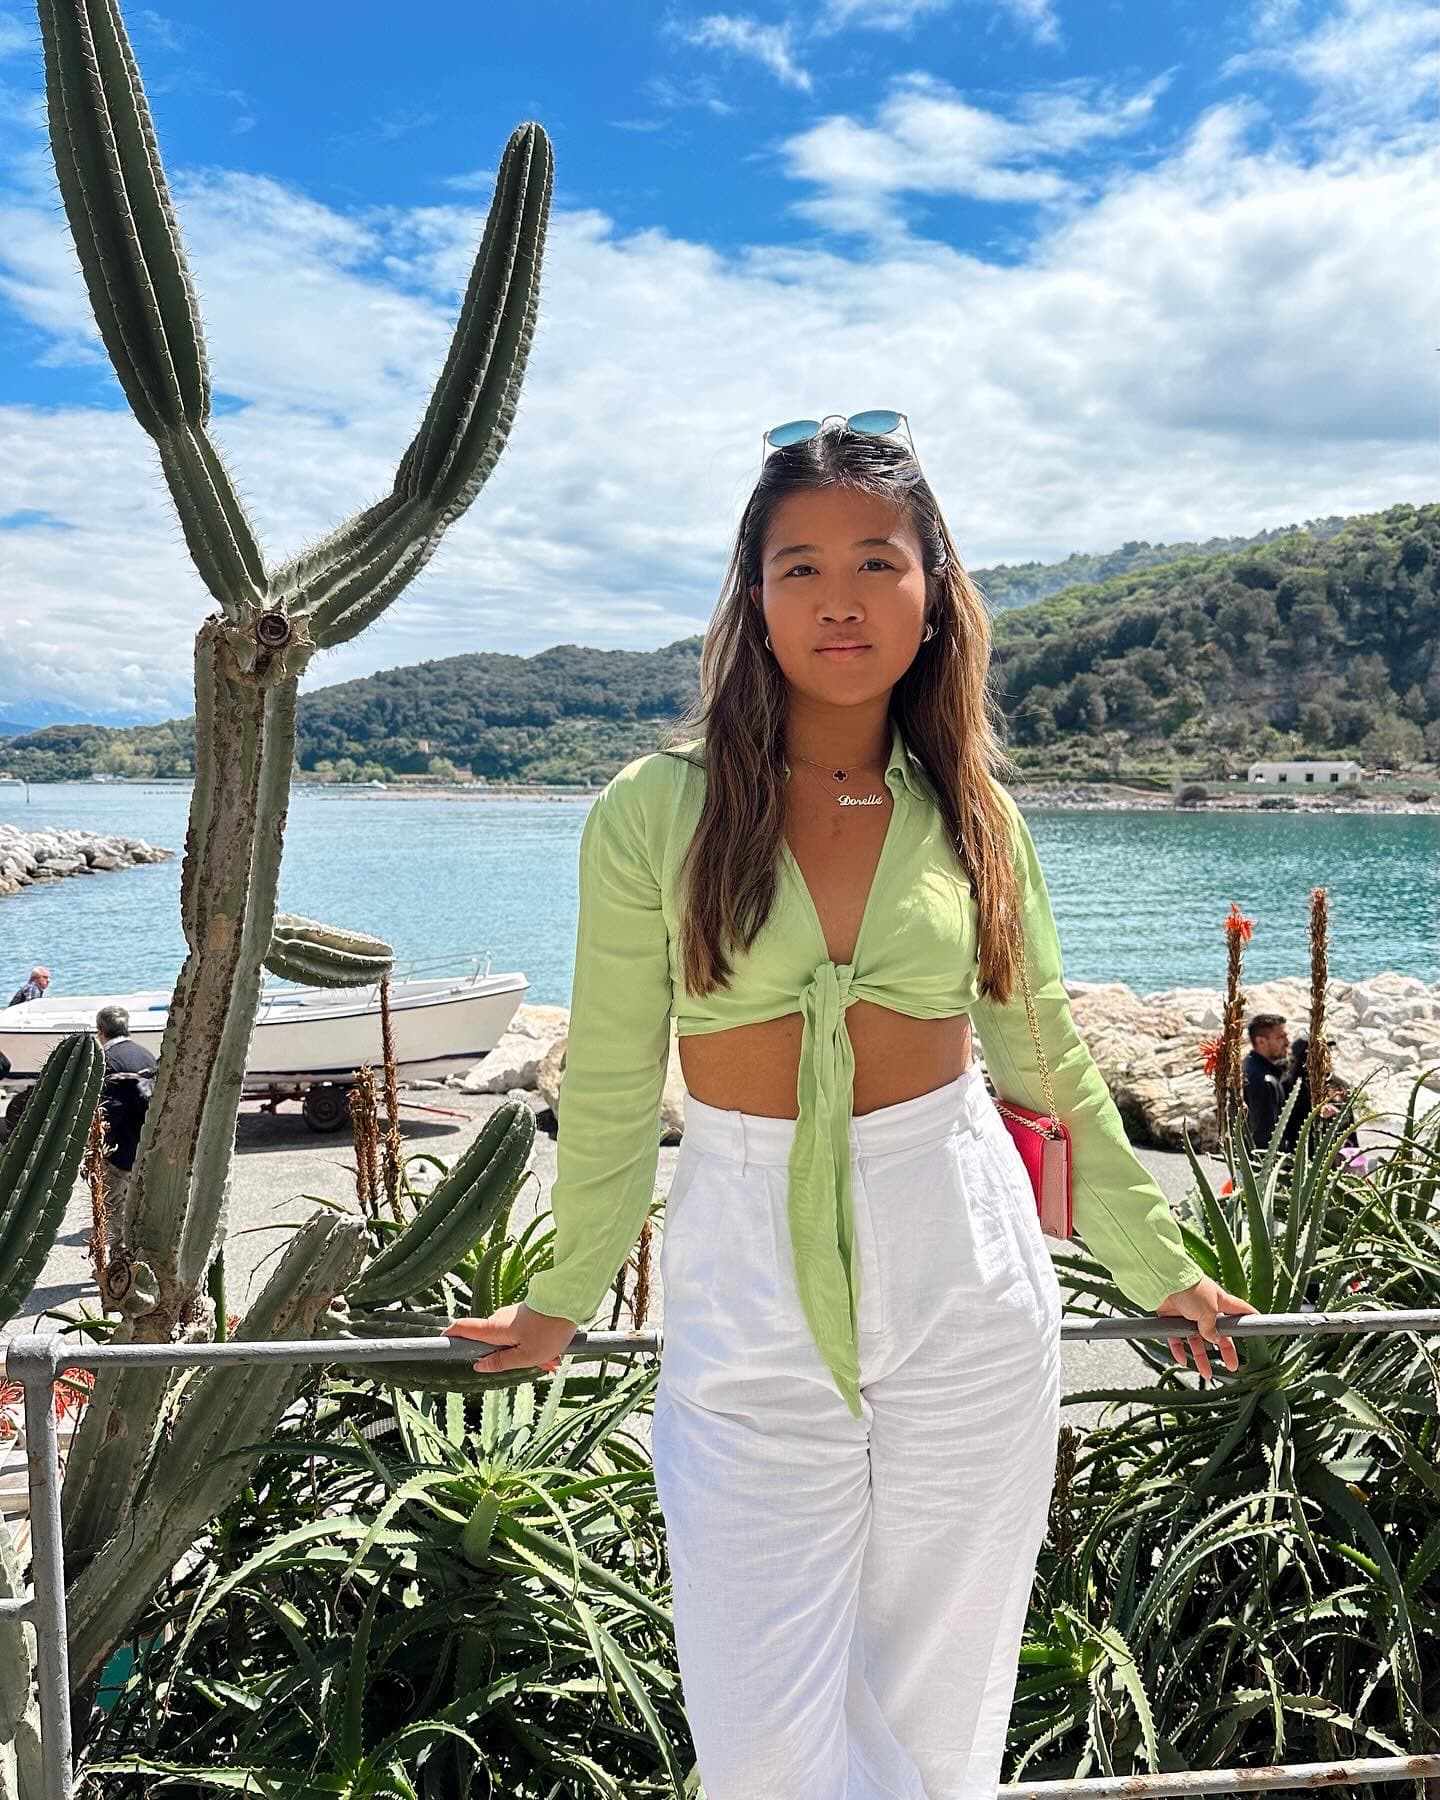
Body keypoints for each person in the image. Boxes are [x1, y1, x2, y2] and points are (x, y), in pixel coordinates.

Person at [445, 414, 1256, 1800]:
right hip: (746, 1257)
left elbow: (1042, 1057)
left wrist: (1155, 1261)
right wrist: (568, 1290)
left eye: (877, 561)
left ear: (933, 587)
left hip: (963, 1254)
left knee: (941, 1701)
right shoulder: (654, 811)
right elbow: (617, 1073)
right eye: (798, 565)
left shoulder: (977, 813)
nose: (839, 598)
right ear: (751, 600)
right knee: (761, 1729)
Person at [95, 1004, 158, 1207]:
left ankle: (117, 1240)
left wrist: (101, 1147)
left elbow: (110, 1110)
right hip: (148, 1140)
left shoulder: (108, 1061)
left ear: (100, 1032)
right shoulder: (146, 1054)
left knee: (112, 1203)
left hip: (120, 1150)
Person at [1242, 1012, 1289, 1149]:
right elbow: (1264, 1137)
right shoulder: (1264, 1081)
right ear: (1261, 1041)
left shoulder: (1250, 1066)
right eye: (1281, 1037)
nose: (1287, 1042)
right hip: (1262, 1167)